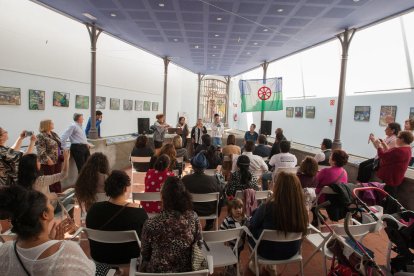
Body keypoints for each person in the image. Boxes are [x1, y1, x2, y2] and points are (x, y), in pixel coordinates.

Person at [0, 185, 95, 275]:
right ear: (45, 215)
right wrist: (59, 247)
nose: (52, 205)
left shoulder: (5, 250)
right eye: (49, 202)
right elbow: (91, 271)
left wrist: (53, 243)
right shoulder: (68, 250)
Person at [140, 177, 202, 273]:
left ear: (163, 197)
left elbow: (145, 254)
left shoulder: (150, 224)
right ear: (184, 196)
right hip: (187, 272)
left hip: (157, 273)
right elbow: (199, 245)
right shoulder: (193, 217)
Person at [86, 170, 148, 265]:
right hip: (129, 260)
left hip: (99, 257)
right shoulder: (139, 212)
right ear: (125, 189)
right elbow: (146, 238)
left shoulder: (93, 209)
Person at [248, 172, 308, 262]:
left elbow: (253, 224)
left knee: (248, 227)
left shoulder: (267, 207)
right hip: (292, 251)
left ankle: (255, 265)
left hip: (267, 252)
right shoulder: (301, 209)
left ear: (278, 188)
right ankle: (271, 268)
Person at [182, 152, 223, 231]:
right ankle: (209, 223)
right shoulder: (214, 180)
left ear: (193, 167)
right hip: (210, 211)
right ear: (205, 167)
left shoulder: (185, 179)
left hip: (190, 210)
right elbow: (221, 193)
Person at [374, 131, 413, 205]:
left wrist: (379, 146)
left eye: (398, 137)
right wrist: (384, 144)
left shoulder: (399, 150)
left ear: (402, 139)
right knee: (390, 195)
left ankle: (387, 212)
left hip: (391, 177)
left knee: (389, 196)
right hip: (396, 177)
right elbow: (389, 153)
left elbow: (383, 155)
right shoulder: (407, 149)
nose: (396, 139)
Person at [36, 119, 64, 193]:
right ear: (46, 125)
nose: (53, 124)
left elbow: (59, 145)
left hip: (58, 159)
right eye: (51, 123)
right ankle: (52, 197)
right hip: (48, 161)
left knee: (57, 178)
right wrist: (47, 159)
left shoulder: (54, 134)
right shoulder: (40, 136)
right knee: (50, 180)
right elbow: (40, 150)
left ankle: (58, 195)